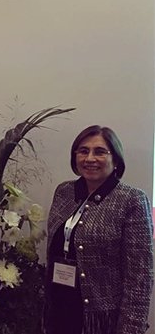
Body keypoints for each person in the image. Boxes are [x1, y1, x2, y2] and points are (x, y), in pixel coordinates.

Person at [45, 125, 153, 334]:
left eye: (100, 152)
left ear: (116, 160)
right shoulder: (64, 191)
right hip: (59, 307)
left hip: (101, 319)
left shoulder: (131, 200)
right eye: (83, 151)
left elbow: (140, 277)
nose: (90, 158)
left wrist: (131, 328)